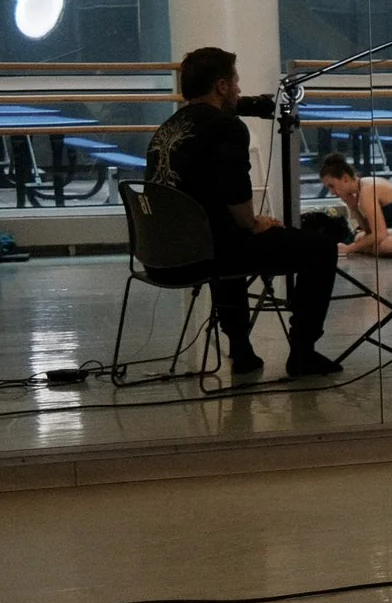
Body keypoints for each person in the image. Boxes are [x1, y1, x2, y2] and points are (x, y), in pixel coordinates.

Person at [146, 47, 341, 378]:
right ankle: (303, 353)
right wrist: (254, 222)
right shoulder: (227, 127)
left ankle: (241, 350)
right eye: (235, 82)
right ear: (221, 86)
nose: (239, 90)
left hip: (160, 257)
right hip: (204, 254)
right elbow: (236, 199)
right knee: (320, 249)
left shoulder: (164, 131)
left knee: (227, 235)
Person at [318, 154, 392, 257]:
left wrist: (349, 248)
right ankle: (375, 249)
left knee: (384, 246)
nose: (331, 192)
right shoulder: (362, 187)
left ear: (345, 178)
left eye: (332, 186)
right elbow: (369, 231)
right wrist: (353, 208)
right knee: (359, 238)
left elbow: (379, 235)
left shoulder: (368, 190)